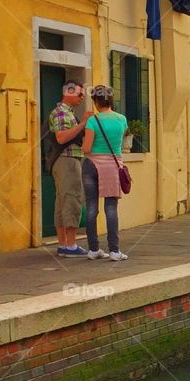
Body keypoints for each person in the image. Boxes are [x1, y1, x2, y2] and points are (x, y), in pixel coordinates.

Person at [81, 85, 128, 261]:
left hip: (91, 165)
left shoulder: (93, 121)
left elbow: (86, 148)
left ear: (95, 101)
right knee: (111, 208)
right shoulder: (121, 119)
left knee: (91, 207)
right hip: (112, 167)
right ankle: (114, 251)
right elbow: (120, 142)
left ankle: (93, 249)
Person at [48, 81, 93, 257]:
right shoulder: (62, 112)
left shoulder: (67, 112)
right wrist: (83, 124)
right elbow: (61, 137)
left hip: (64, 160)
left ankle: (63, 244)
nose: (82, 98)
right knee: (72, 199)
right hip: (67, 159)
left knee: (62, 201)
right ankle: (71, 245)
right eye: (80, 94)